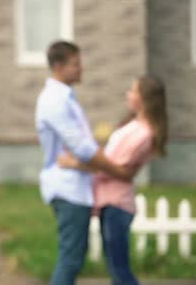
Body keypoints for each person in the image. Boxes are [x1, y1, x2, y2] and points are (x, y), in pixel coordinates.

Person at [35, 40, 132, 285]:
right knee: (71, 259)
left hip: (76, 187)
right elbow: (83, 148)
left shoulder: (66, 97)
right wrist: (119, 170)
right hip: (67, 188)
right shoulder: (55, 101)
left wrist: (93, 163)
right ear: (59, 66)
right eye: (75, 64)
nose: (81, 69)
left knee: (74, 257)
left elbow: (82, 151)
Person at [58, 76, 168, 285]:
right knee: (116, 269)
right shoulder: (134, 125)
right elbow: (110, 162)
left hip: (117, 205)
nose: (128, 94)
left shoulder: (144, 133)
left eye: (133, 91)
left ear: (144, 98)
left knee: (119, 270)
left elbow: (113, 168)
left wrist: (75, 162)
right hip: (109, 203)